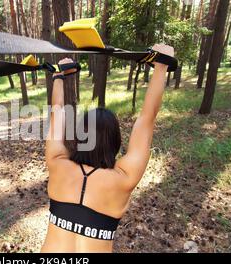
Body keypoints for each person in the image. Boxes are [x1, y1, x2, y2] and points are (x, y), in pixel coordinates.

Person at [41, 44, 175, 253]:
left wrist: (59, 76)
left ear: (79, 137)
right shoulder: (123, 178)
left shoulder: (57, 163)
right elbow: (147, 119)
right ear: (115, 142)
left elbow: (57, 111)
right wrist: (161, 66)